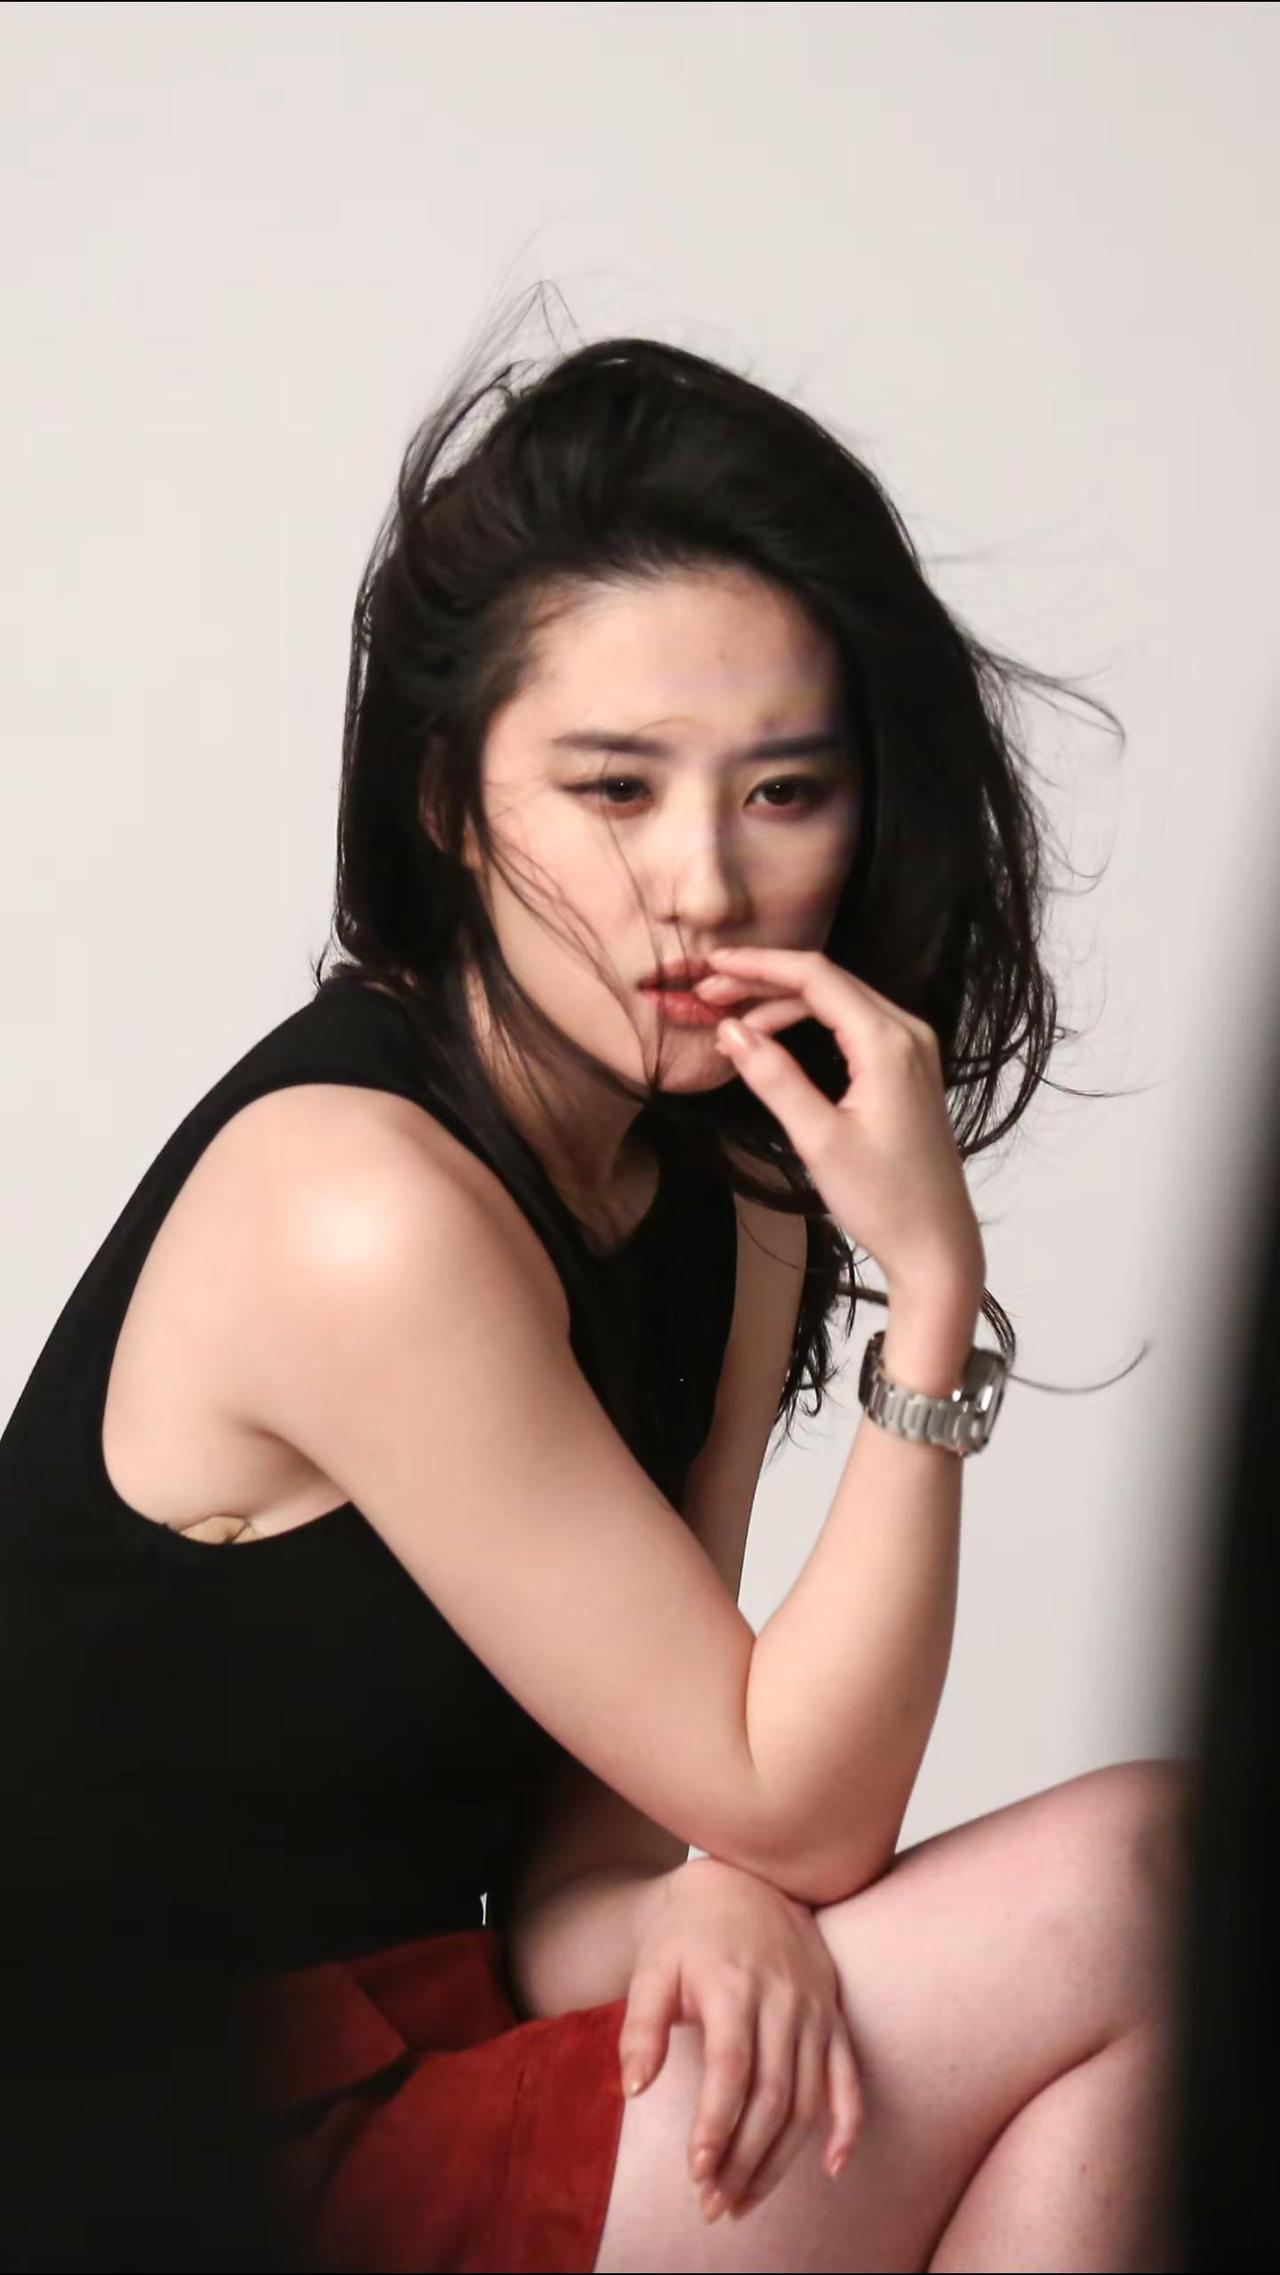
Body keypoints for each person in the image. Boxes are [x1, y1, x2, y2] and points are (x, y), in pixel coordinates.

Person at [0, 291, 1192, 2273]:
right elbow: (799, 1803)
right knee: (1160, 1888)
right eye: (614, 790)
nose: (704, 888)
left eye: (783, 791)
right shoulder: (360, 1208)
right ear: (452, 803)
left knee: (1147, 1969)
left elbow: (601, 1847)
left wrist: (684, 1902)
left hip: (425, 2059)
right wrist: (931, 1291)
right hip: (163, 2167)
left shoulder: (725, 1190)